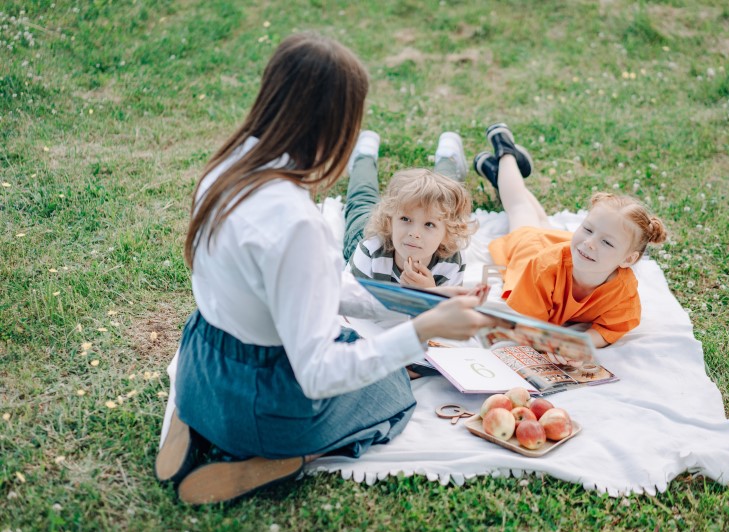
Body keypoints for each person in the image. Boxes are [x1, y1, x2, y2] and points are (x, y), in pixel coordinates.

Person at [154, 33, 499, 505]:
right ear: (335, 126)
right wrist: (423, 329)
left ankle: (193, 412)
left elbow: (297, 289)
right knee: (395, 390)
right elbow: (317, 373)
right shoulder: (298, 224)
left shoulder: (226, 166)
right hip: (264, 402)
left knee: (356, 348)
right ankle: (288, 457)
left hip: (204, 360)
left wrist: (418, 301)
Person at [473, 123, 668, 349]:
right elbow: (527, 328)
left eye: (606, 241)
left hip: (559, 249)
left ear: (628, 259)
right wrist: (553, 345)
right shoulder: (544, 268)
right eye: (587, 229)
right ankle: (505, 151)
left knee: (543, 222)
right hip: (532, 251)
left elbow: (609, 329)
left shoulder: (622, 289)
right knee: (519, 209)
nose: (589, 242)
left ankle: (497, 172)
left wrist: (577, 343)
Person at [343, 131, 476, 289]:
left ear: (447, 234)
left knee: (443, 197)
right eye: (406, 219)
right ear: (389, 220)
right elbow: (352, 300)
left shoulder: (452, 260)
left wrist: (431, 291)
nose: (414, 233)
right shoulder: (369, 250)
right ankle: (364, 156)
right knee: (361, 196)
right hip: (368, 230)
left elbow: (448, 308)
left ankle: (449, 156)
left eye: (429, 224)